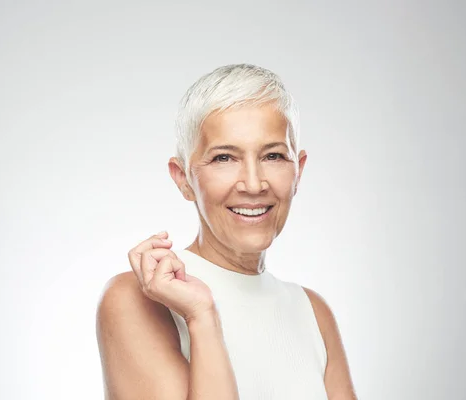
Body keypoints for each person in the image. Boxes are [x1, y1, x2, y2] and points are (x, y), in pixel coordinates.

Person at [96, 64, 357, 399]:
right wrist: (202, 318)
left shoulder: (312, 312)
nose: (253, 183)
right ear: (184, 179)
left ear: (298, 171)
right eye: (224, 158)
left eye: (273, 155)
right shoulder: (137, 299)